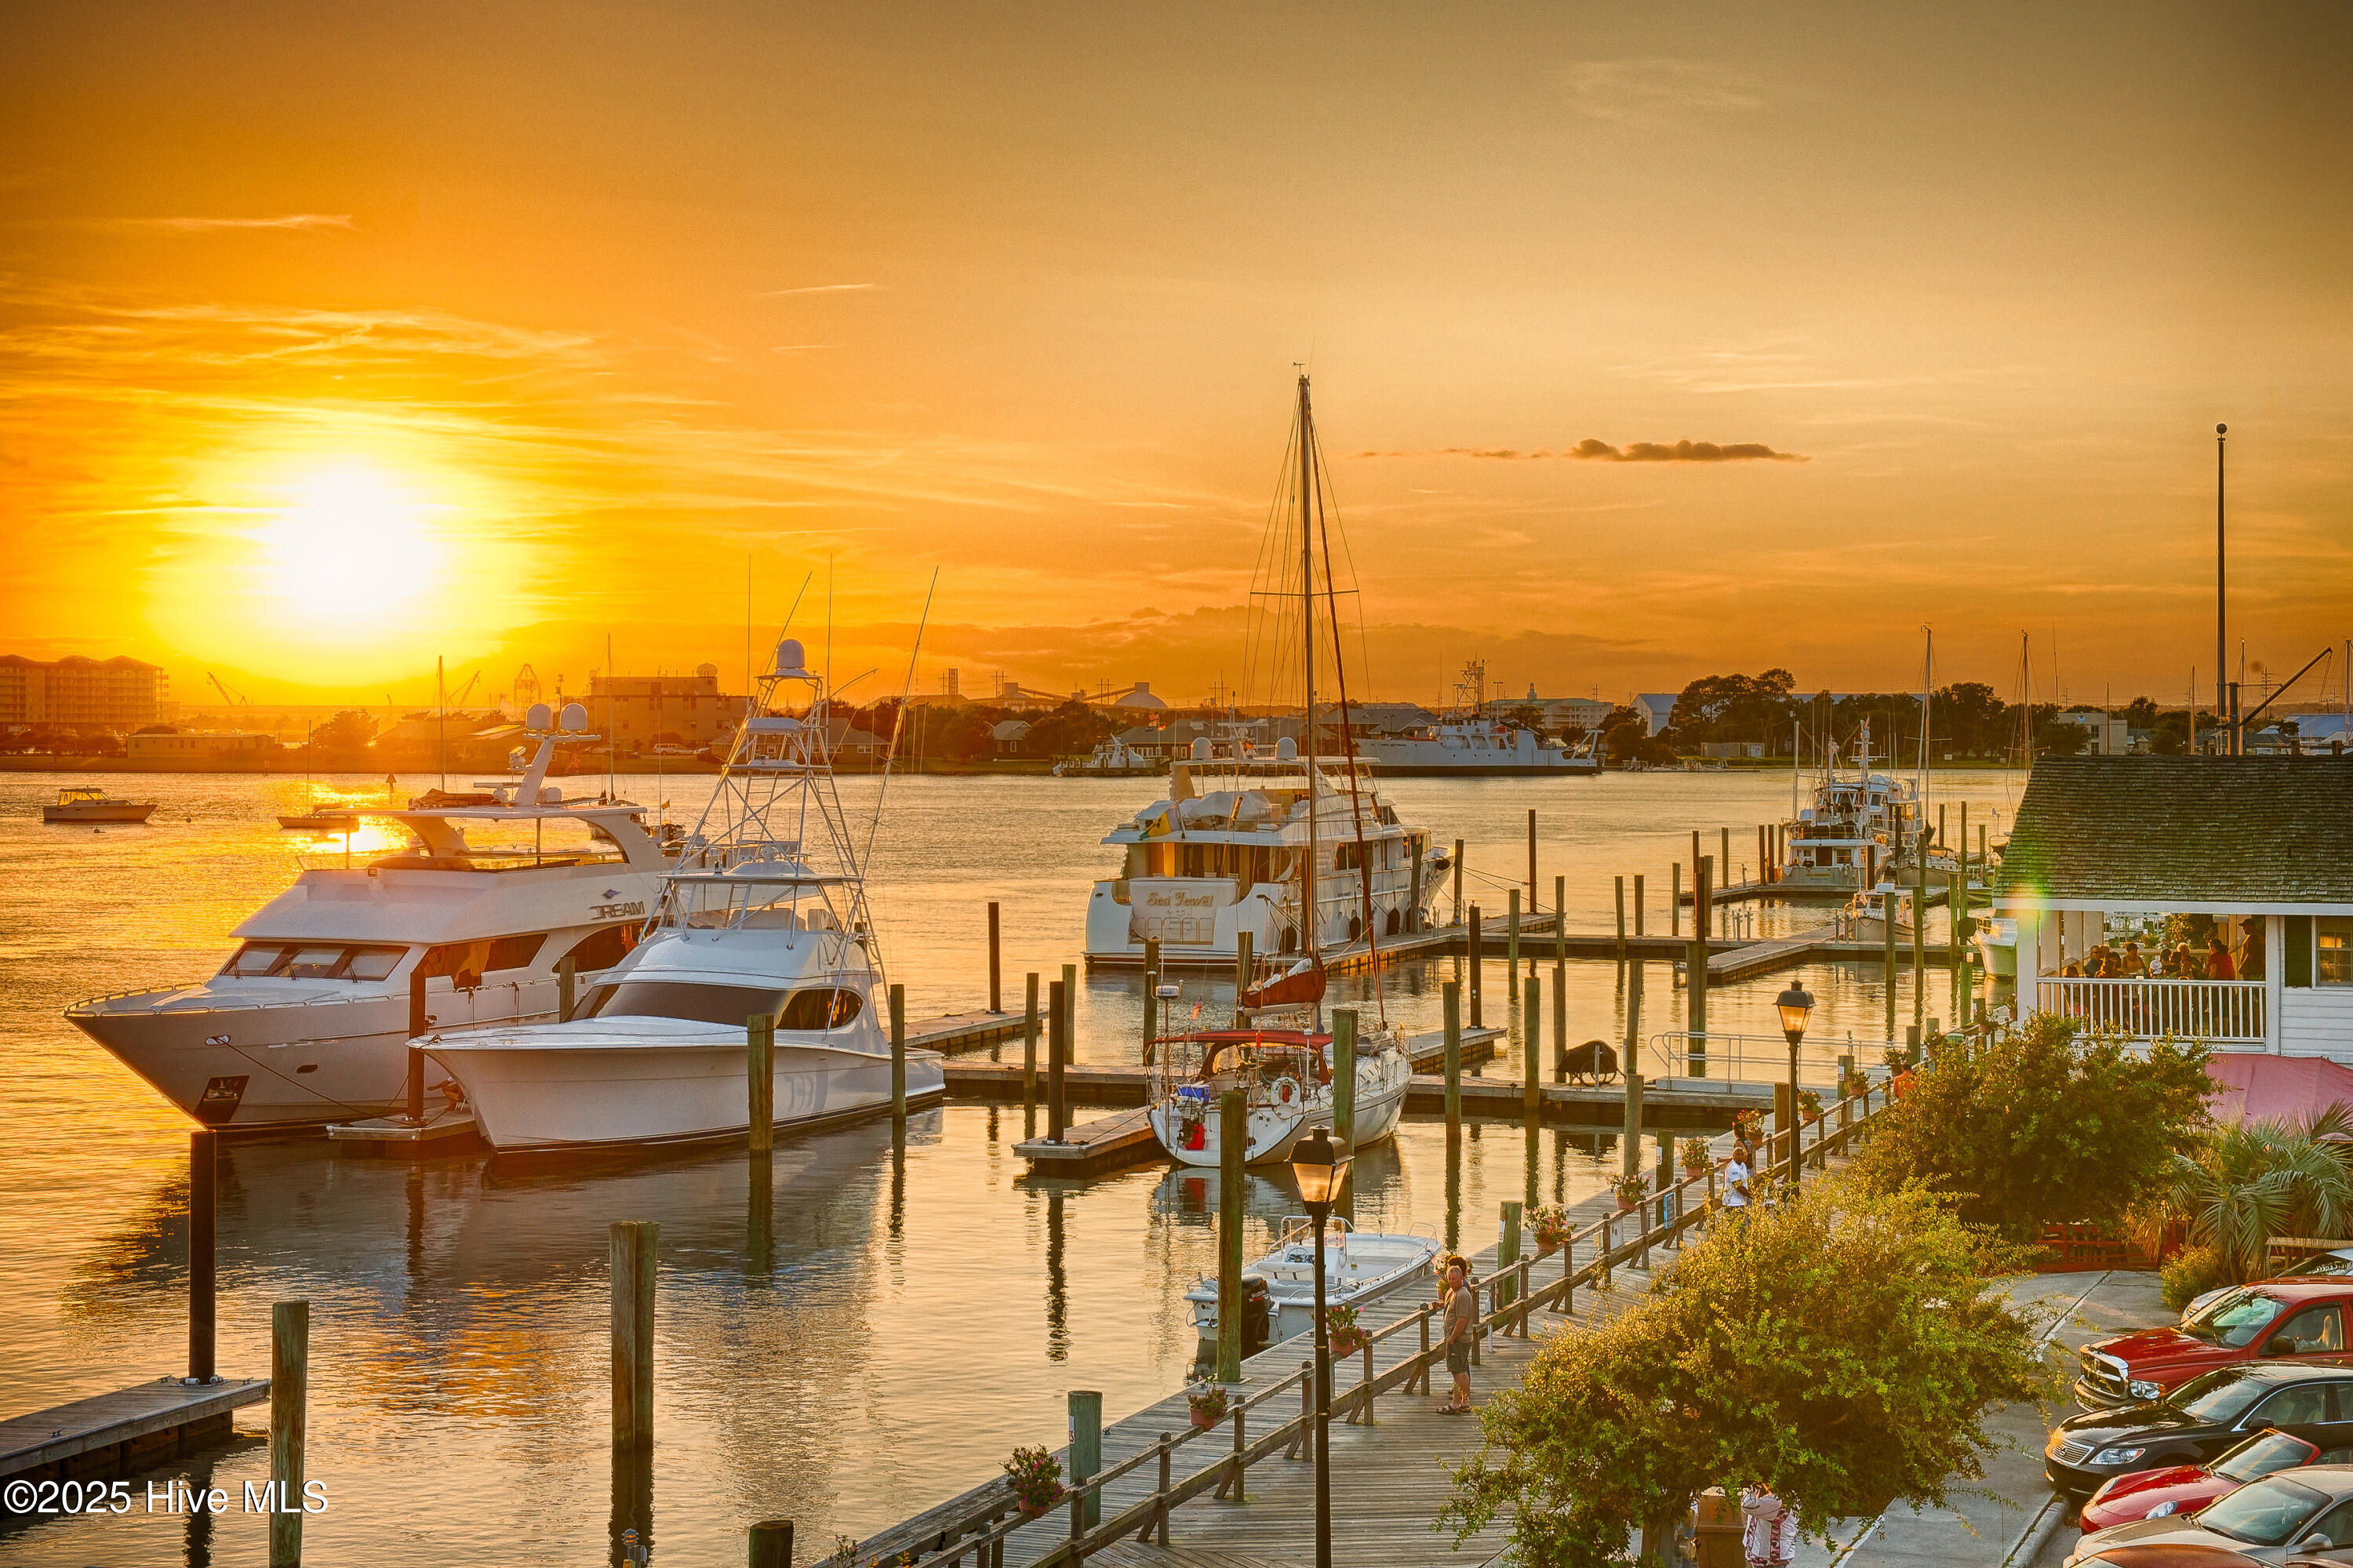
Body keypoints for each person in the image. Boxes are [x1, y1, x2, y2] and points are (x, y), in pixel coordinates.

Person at [1437, 1261, 1476, 1414]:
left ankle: (1455, 1404)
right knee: (1462, 1371)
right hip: (1461, 1339)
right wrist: (1440, 1305)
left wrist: (1452, 1338)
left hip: (1459, 1340)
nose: (1452, 1281)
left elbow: (1462, 1320)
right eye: (1450, 1279)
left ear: (1461, 1279)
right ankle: (1464, 1402)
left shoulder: (1463, 1294)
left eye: (1455, 1279)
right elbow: (1452, 1310)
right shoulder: (1453, 1293)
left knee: (1457, 1372)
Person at [1741, 1484, 1796, 1568]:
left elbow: (1747, 1504)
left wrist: (1755, 1488)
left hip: (1769, 1558)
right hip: (1772, 1555)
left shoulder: (1776, 1501)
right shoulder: (1791, 1496)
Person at [1723, 1142, 1752, 1212]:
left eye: (1741, 1154)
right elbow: (1738, 1185)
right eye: (1738, 1154)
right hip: (1732, 1203)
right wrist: (1751, 1195)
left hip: (1741, 1201)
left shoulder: (1743, 1165)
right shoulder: (1733, 1167)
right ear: (1733, 1155)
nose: (1740, 1156)